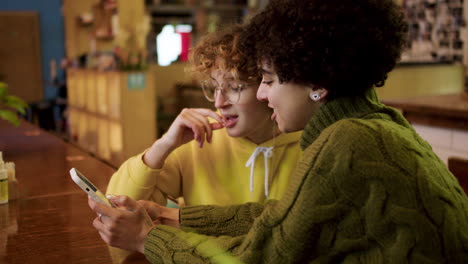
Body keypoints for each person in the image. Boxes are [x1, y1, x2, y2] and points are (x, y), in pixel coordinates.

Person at [89, 0, 468, 263]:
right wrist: (169, 216)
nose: (263, 93)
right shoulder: (376, 123)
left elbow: (258, 256)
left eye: (268, 79)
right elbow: (284, 215)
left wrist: (145, 238)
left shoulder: (347, 142)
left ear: (316, 82)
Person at [106, 25, 302, 207]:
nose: (219, 103)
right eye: (215, 88)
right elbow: (116, 205)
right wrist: (163, 145)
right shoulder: (200, 137)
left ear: (267, 86)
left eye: (234, 88)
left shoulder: (310, 144)